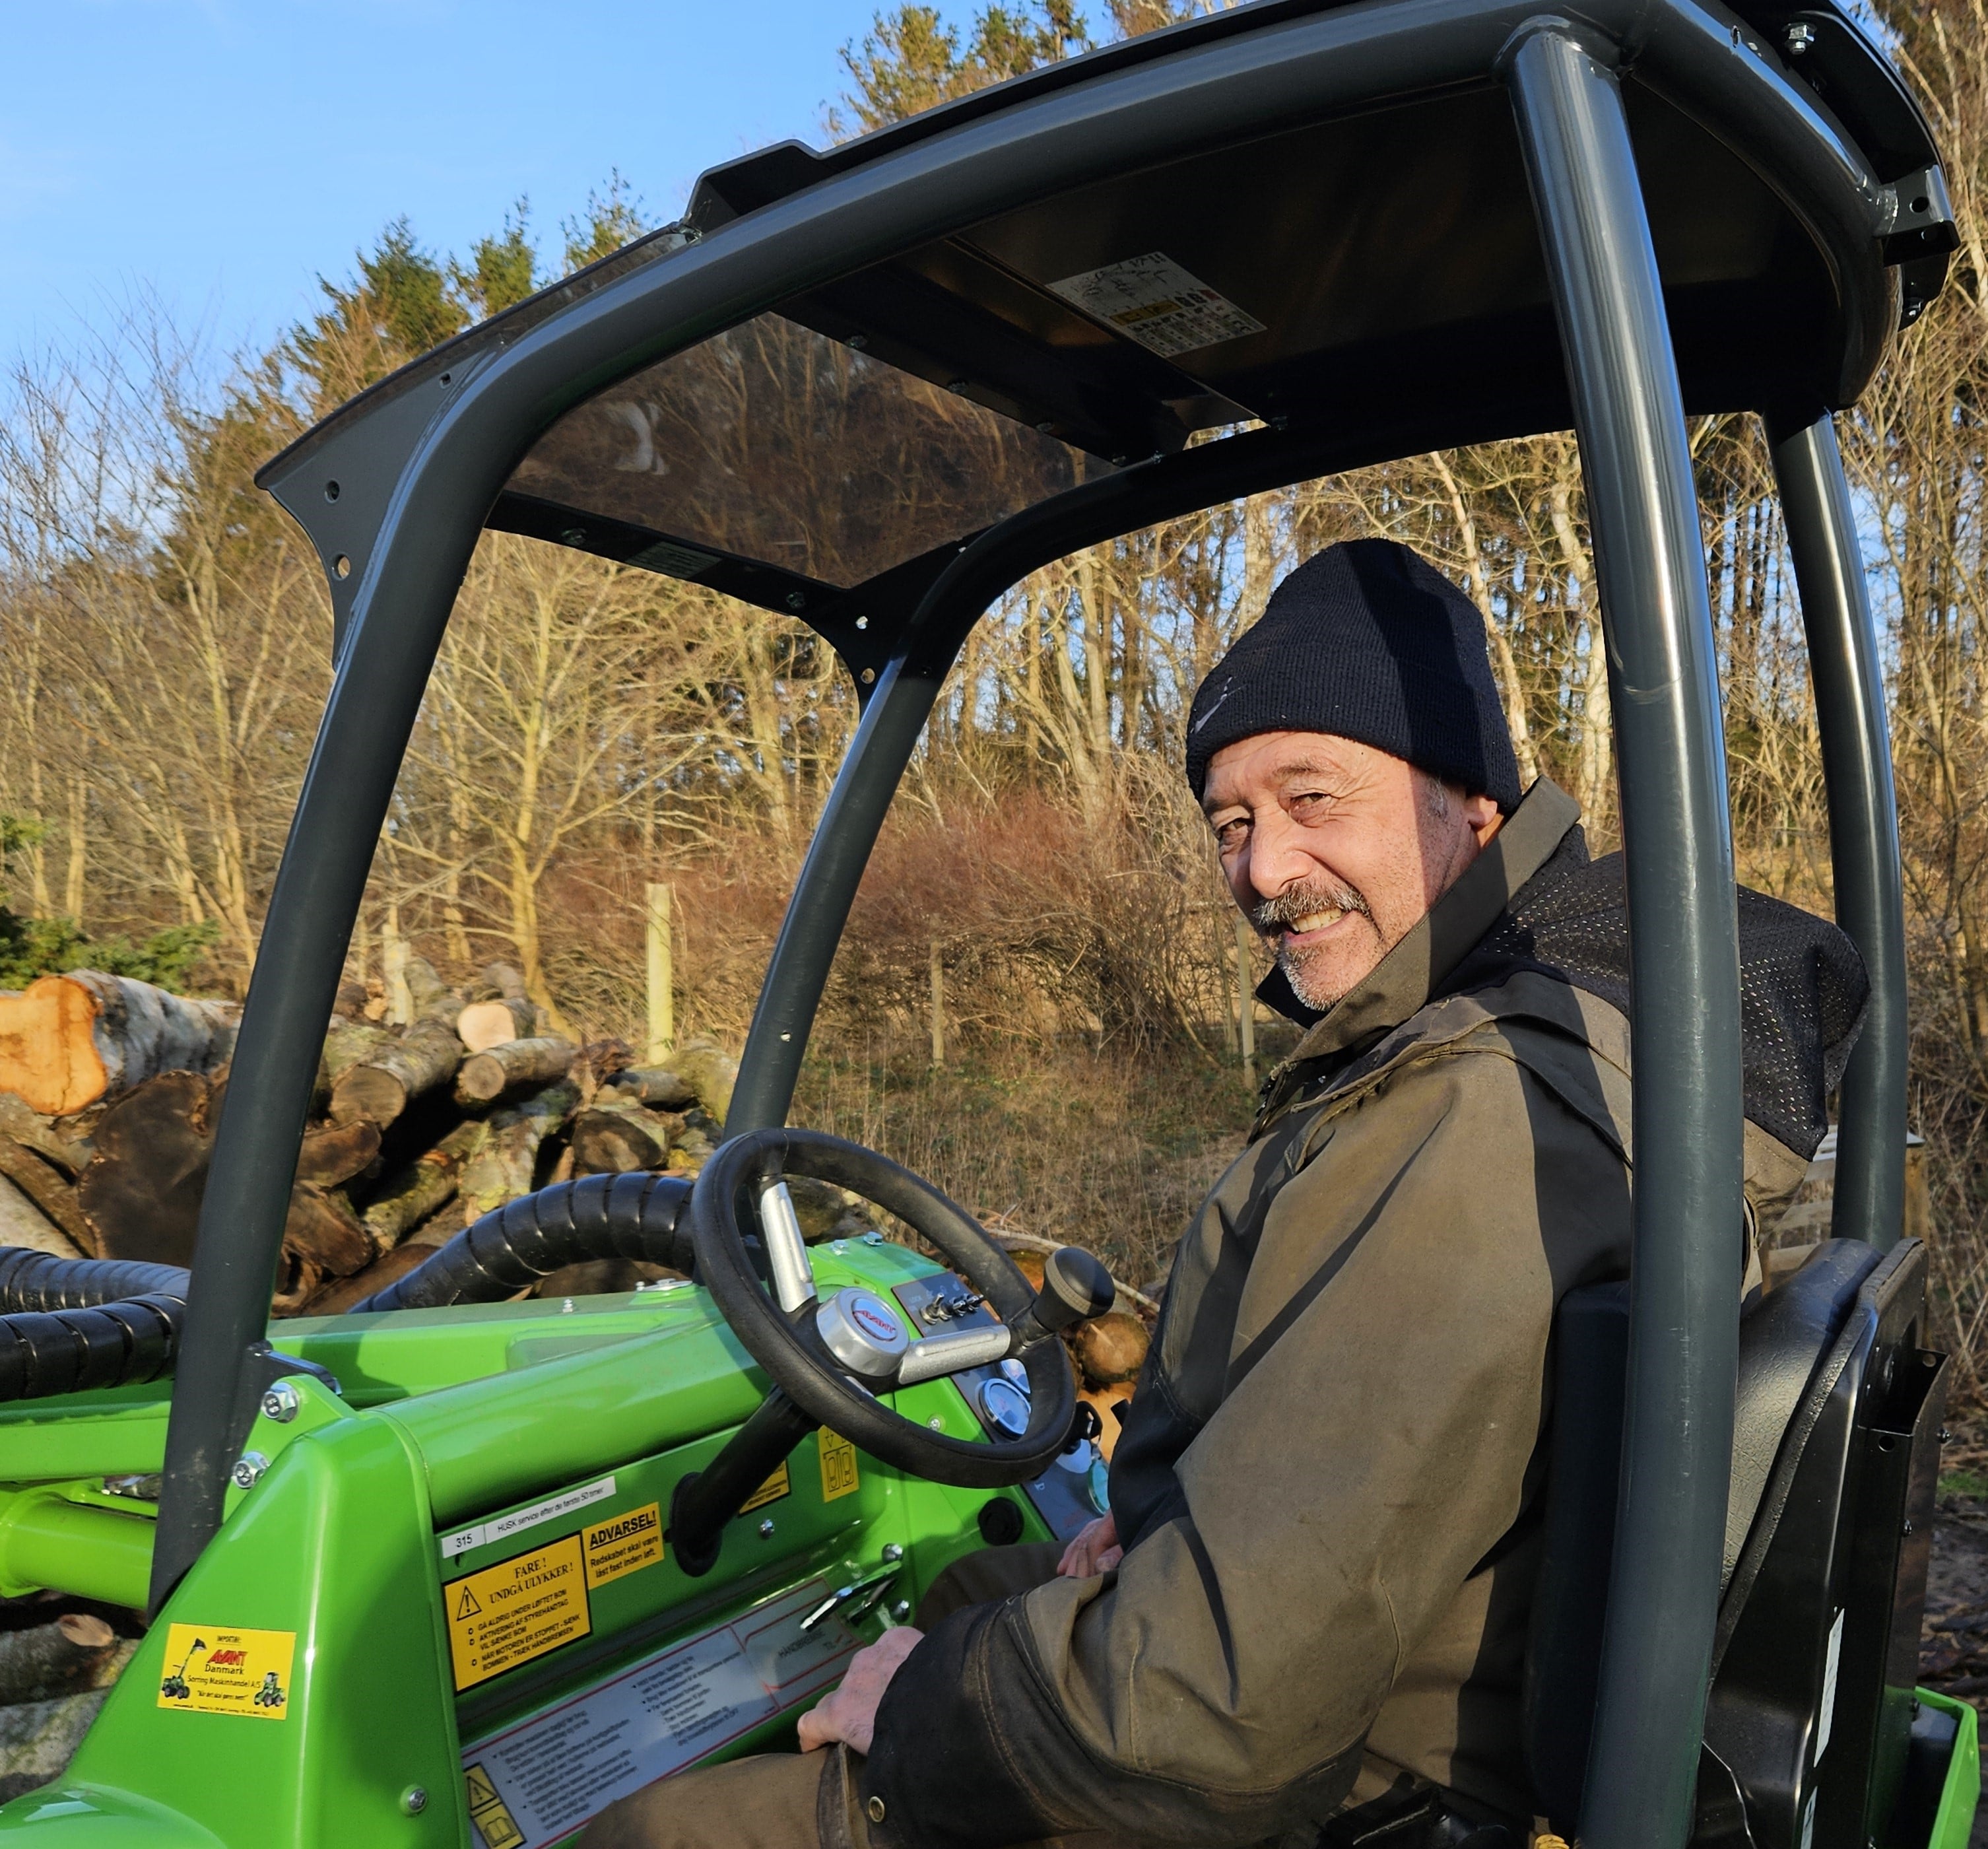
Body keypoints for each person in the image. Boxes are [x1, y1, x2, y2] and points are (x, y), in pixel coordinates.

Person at [583, 538, 1865, 1849]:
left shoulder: (1479, 1111)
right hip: (1395, 1670)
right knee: (971, 1581)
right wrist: (1153, 1523)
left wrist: (913, 1719)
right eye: (1233, 823)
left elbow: (1208, 1717)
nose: (1262, 871)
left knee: (647, 1828)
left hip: (1347, 1782)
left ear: (1471, 803)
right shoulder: (1560, 1027)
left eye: (1316, 799)